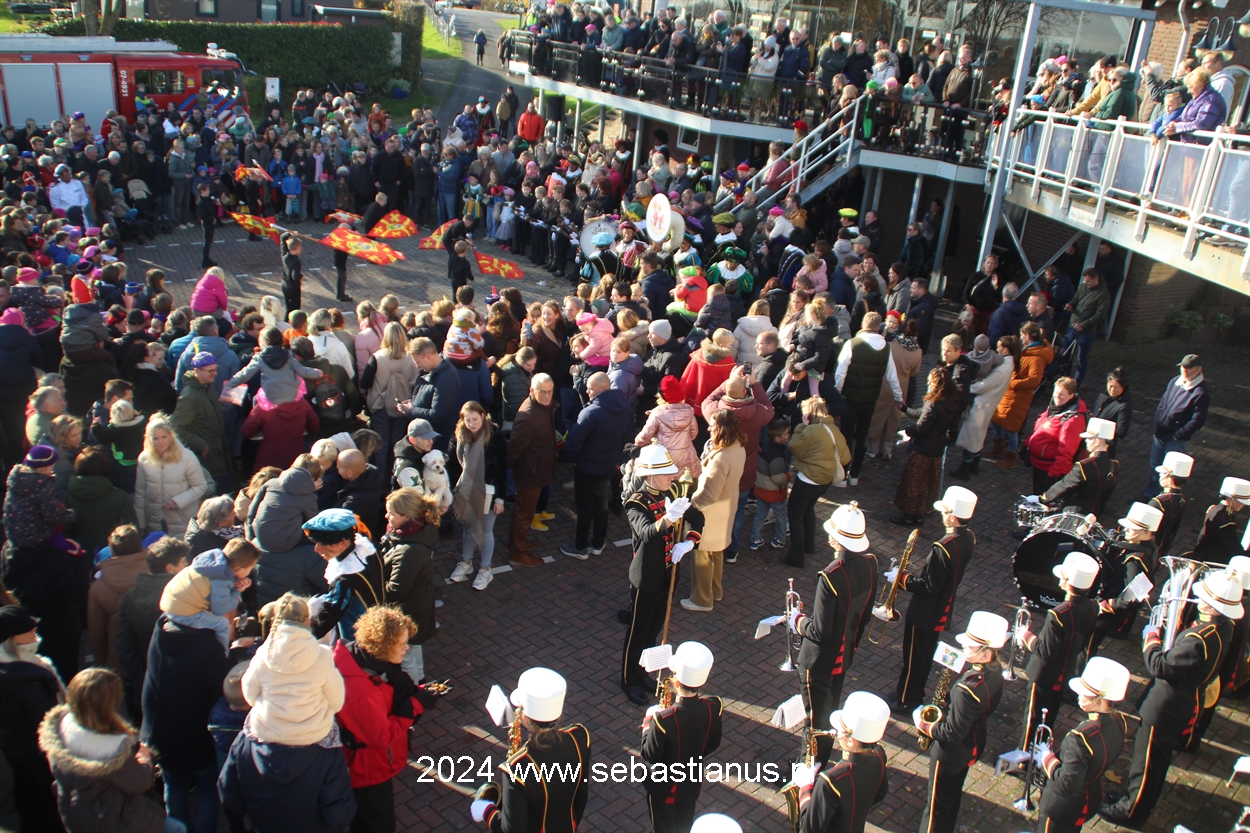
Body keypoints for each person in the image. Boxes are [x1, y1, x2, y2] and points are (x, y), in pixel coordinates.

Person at [1101, 570, 1242, 826]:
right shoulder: (1223, 627)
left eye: (1204, 600)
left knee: (1146, 764)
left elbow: (1160, 666)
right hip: (1179, 702)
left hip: (1165, 705)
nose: (1198, 602)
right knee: (1157, 761)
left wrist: (1152, 638)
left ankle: (1129, 811)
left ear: (1212, 607)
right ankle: (1138, 803)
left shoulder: (1198, 639)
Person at [219, 595, 355, 833]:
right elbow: (337, 701)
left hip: (265, 738)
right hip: (315, 741)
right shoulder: (322, 655)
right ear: (306, 620)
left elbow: (249, 695)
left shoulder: (262, 654)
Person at [38, 667, 182, 833]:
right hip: (114, 821)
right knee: (178, 829)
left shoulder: (62, 724)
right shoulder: (112, 747)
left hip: (78, 815)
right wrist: (144, 757)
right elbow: (139, 783)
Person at [141, 598, 235, 833]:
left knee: (174, 787)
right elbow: (226, 686)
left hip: (160, 731)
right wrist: (236, 648)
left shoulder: (161, 626)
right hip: (195, 737)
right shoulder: (204, 646)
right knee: (207, 788)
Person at [620, 442, 703, 705]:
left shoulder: (674, 491)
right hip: (646, 577)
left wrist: (689, 541)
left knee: (654, 630)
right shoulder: (636, 502)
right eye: (667, 472)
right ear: (651, 475)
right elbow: (646, 534)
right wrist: (668, 518)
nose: (673, 476)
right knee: (638, 632)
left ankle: (644, 671)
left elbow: (697, 517)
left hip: (669, 573)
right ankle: (628, 679)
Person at [333, 605, 429, 833]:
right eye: (401, 644)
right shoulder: (361, 690)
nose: (406, 648)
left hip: (366, 766)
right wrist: (416, 704)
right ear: (382, 646)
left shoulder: (365, 663)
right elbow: (381, 736)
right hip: (367, 771)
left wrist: (421, 693)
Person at [911, 611, 1007, 833]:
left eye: (971, 647)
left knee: (936, 806)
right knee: (950, 799)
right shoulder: (995, 671)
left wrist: (922, 724)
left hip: (951, 752)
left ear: (984, 655)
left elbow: (952, 733)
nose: (965, 649)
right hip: (974, 741)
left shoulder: (966, 689)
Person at [888, 486, 978, 712]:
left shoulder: (943, 547)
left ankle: (908, 700)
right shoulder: (968, 537)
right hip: (941, 606)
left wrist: (901, 578)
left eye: (945, 512)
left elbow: (928, 586)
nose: (942, 515)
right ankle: (905, 691)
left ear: (952, 516)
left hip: (926, 611)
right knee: (920, 655)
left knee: (915, 658)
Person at [792, 502, 878, 737]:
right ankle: (819, 758)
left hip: (819, 660)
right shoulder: (871, 563)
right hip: (846, 652)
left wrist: (797, 620)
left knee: (814, 721)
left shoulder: (831, 575)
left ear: (836, 538)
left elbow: (820, 631)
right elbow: (865, 614)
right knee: (830, 711)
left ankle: (808, 767)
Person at [468, 668, 590, 830]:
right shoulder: (580, 736)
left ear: (524, 717)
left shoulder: (515, 770)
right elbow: (580, 796)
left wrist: (486, 811)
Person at [1034, 658, 1132, 833]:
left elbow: (1067, 782)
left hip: (1062, 807)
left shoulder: (1079, 739)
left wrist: (1047, 758)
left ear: (1099, 699)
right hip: (1090, 797)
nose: (1079, 695)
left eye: (1085, 692)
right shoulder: (1120, 722)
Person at [1012, 551, 1099, 746]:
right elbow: (1083, 642)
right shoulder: (1093, 607)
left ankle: (1026, 755)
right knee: (1048, 716)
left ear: (1068, 582)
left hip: (1044, 674)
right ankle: (1040, 748)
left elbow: (1045, 651)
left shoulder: (1057, 614)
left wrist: (1025, 635)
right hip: (1066, 670)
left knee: (1033, 719)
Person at [640, 642, 722, 832]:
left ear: (677, 682)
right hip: (692, 783)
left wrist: (648, 720)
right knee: (684, 825)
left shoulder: (663, 718)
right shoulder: (714, 706)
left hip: (663, 788)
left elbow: (649, 754)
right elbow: (713, 743)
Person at [0, 605, 66, 832]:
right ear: (10, 639)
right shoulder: (31, 680)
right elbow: (49, 725)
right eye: (26, 629)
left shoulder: (24, 669)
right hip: (40, 758)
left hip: (15, 758)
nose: (34, 630)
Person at [791, 691, 891, 833]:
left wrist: (806, 786)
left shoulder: (830, 780)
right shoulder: (880, 755)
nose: (836, 732)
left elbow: (809, 828)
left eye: (841, 730)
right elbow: (880, 792)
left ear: (851, 741)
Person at [682, 409, 747, 613]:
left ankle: (702, 599)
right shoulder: (738, 447)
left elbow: (709, 493)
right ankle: (715, 591)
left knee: (701, 555)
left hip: (709, 514)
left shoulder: (720, 459)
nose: (709, 428)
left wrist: (692, 508)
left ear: (722, 429)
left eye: (713, 426)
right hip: (726, 510)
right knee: (716, 553)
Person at [562, 372, 632, 559]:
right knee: (601, 504)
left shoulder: (591, 412)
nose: (587, 391)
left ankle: (580, 546)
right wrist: (617, 459)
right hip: (608, 467)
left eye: (590, 388)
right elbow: (627, 437)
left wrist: (573, 459)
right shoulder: (625, 408)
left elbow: (574, 442)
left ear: (602, 389)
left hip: (586, 467)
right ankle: (598, 542)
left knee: (584, 507)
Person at [380, 487, 441, 685]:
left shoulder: (410, 550)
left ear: (406, 516)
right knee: (413, 648)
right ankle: (421, 679)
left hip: (409, 612)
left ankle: (414, 691)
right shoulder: (416, 531)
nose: (387, 516)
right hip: (417, 608)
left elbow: (397, 589)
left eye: (392, 513)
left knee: (405, 657)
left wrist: (374, 583)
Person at [835, 312, 903, 486]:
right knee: (863, 436)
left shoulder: (852, 344)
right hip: (870, 399)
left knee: (846, 436)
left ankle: (842, 475)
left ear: (863, 325)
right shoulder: (886, 347)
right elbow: (892, 375)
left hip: (850, 397)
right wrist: (898, 396)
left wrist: (837, 393)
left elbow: (841, 372)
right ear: (878, 326)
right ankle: (855, 475)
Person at [446, 401, 507, 590]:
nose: (471, 424)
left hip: (488, 492)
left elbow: (502, 470)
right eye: (467, 420)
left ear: (482, 416)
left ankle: (485, 568)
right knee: (468, 527)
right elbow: (452, 467)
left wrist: (500, 498)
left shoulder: (495, 437)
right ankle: (466, 562)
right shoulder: (458, 436)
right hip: (466, 491)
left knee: (486, 531)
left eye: (475, 419)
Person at [890, 369, 962, 527]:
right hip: (937, 450)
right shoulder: (953, 402)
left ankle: (908, 516)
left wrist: (908, 430)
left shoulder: (933, 403)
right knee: (928, 484)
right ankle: (920, 515)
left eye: (930, 381)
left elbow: (921, 428)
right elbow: (953, 428)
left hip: (923, 449)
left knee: (914, 482)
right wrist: (947, 442)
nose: (928, 384)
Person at [785, 397, 850, 569]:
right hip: (825, 481)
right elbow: (845, 457)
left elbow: (794, 446)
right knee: (808, 510)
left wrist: (801, 426)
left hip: (807, 480)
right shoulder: (834, 429)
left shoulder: (810, 430)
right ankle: (809, 546)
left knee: (795, 515)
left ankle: (796, 557)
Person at [301, 508, 386, 640]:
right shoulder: (367, 547)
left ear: (342, 541)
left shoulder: (344, 579)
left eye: (322, 543)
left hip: (359, 640)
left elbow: (326, 617)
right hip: (381, 622)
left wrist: (299, 634)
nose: (316, 549)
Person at [507, 373, 558, 568]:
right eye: (542, 392)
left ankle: (516, 542)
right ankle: (517, 552)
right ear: (532, 391)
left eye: (550, 391)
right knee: (524, 513)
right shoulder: (528, 415)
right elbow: (514, 447)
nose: (547, 396)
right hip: (531, 473)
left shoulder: (542, 408)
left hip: (536, 469)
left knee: (524, 511)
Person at [1143, 354, 1209, 498]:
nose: (1184, 370)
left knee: (1171, 474)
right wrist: (1157, 422)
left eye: (1189, 368)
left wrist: (1178, 435)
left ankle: (1163, 501)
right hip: (1159, 434)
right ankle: (1150, 496)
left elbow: (1197, 420)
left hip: (1175, 440)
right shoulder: (1175, 381)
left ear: (1199, 370)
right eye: (1183, 367)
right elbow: (1163, 403)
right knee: (1155, 467)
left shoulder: (1200, 393)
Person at [133, 415, 209, 539]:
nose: (161, 441)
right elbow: (140, 492)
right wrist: (141, 524)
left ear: (171, 436)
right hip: (154, 521)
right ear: (148, 439)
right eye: (156, 438)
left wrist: (177, 502)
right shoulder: (144, 458)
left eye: (164, 437)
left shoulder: (187, 457)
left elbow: (200, 486)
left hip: (183, 520)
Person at [950, 335, 1014, 480]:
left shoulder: (1003, 368)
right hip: (986, 405)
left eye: (999, 346)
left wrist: (966, 387)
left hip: (980, 405)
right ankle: (974, 465)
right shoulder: (1006, 364)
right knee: (978, 437)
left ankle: (965, 469)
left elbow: (984, 385)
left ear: (1005, 348)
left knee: (971, 439)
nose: (997, 349)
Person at [989, 323, 1052, 469]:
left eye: (1022, 334)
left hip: (1018, 397)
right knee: (997, 420)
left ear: (1027, 336)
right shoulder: (1027, 350)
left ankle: (1011, 456)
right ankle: (998, 448)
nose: (1020, 336)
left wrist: (1014, 383)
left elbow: (1035, 380)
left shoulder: (1036, 357)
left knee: (1012, 427)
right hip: (1009, 393)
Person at [1036, 417, 1118, 520]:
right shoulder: (1114, 465)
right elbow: (1106, 493)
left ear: (1097, 441)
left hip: (1074, 514)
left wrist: (1042, 498)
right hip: (1094, 515)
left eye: (1089, 438)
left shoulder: (1084, 465)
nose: (1086, 441)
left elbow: (1064, 485)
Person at [1060, 268, 1109, 385]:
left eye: (1088, 281)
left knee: (1082, 358)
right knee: (1067, 354)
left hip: (1087, 331)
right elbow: (1076, 299)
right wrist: (1070, 305)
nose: (1086, 284)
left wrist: (1083, 325)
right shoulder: (1082, 287)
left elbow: (1100, 315)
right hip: (1073, 325)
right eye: (1085, 281)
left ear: (1096, 279)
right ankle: (1064, 379)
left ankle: (1077, 383)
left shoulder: (1103, 294)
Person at [1192, 476, 1250, 562]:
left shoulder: (1214, 508)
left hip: (1201, 555)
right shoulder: (1226, 521)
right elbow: (1235, 550)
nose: (1243, 505)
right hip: (1212, 562)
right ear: (1231, 499)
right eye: (1241, 502)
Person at [1149, 451, 1192, 557]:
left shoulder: (1159, 502)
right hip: (1162, 549)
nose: (1160, 474)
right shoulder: (1181, 499)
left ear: (1170, 479)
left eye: (1163, 473)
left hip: (1149, 550)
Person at [1089, 367, 1131, 459]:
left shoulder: (1123, 405)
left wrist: (1101, 432)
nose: (1112, 390)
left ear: (1123, 387)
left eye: (1116, 387)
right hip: (1090, 441)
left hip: (1105, 447)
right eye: (1110, 386)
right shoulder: (1103, 396)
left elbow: (1121, 431)